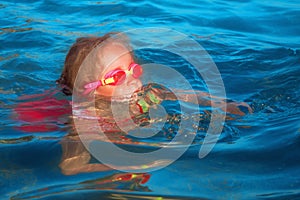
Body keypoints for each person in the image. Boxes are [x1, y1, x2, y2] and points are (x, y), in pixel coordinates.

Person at [54, 32, 252, 175]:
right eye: (118, 76)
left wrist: (223, 104)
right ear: (89, 89)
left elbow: (183, 95)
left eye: (133, 68)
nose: (132, 79)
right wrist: (120, 167)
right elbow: (71, 167)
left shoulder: (145, 93)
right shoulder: (85, 120)